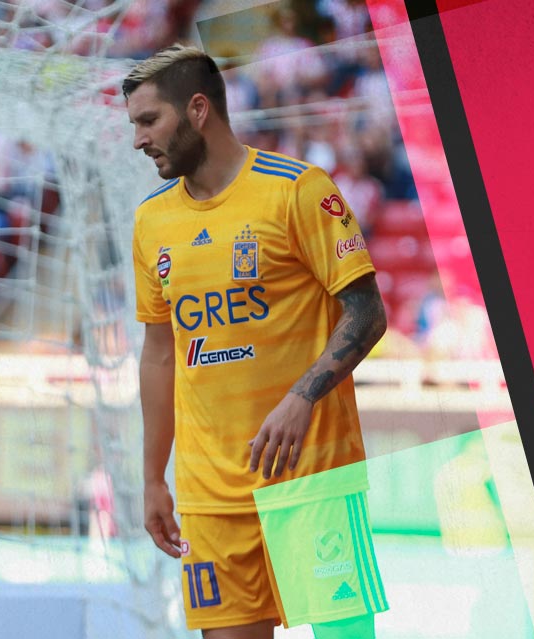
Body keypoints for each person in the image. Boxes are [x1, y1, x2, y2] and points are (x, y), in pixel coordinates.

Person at [124, 45, 389, 639]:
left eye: (148, 121)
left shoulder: (297, 190)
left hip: (313, 479)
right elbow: (160, 352)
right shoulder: (151, 222)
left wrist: (303, 397)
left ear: (197, 110)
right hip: (211, 495)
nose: (138, 140)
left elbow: (368, 312)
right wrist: (151, 479)